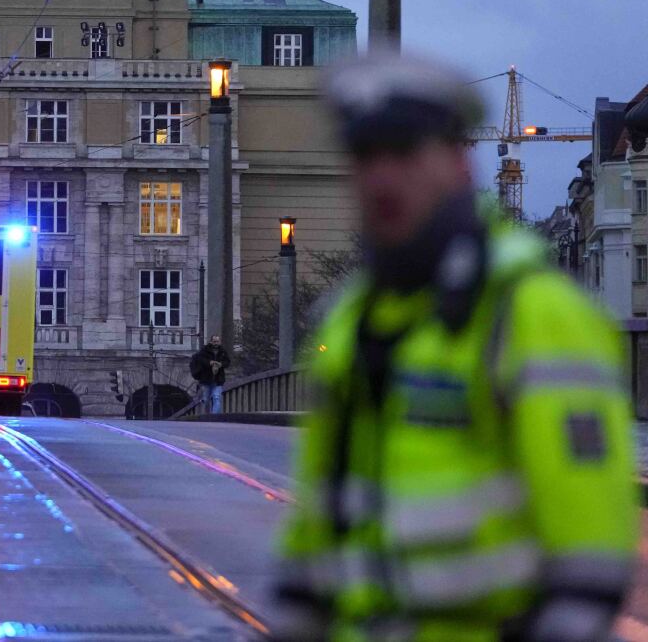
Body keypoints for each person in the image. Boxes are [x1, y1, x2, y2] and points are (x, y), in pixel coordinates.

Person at [273, 53, 638, 641]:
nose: (383, 177)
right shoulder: (348, 321)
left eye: (405, 151)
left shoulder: (534, 313)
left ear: (459, 163)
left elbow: (589, 561)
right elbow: (317, 532)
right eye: (366, 155)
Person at [190, 335, 231, 414]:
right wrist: (209, 363)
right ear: (211, 341)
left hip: (218, 380)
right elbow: (200, 360)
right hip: (206, 379)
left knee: (216, 397)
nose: (216, 343)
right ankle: (205, 416)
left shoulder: (223, 351)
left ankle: (214, 417)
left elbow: (227, 362)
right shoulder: (204, 350)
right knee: (205, 399)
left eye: (217, 341)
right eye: (214, 341)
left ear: (220, 342)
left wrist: (221, 364)